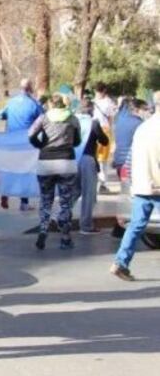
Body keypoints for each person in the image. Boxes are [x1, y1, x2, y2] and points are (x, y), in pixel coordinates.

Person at [110, 110, 160, 280]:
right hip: (157, 185)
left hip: (142, 185)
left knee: (136, 225)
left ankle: (120, 263)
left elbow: (130, 160)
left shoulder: (142, 128)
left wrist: (132, 182)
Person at [28, 94, 82, 250]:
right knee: (65, 202)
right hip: (66, 162)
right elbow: (77, 141)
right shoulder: (72, 119)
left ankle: (43, 229)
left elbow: (30, 134)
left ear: (51, 104)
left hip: (45, 162)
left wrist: (40, 145)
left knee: (46, 200)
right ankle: (65, 238)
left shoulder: (43, 118)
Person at [0, 78, 43, 211]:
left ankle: (5, 193)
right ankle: (24, 202)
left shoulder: (11, 102)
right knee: (25, 171)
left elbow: (3, 116)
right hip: (26, 142)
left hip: (11, 140)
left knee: (10, 168)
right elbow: (42, 119)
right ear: (30, 88)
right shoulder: (33, 103)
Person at [76, 97, 110, 235]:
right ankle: (86, 225)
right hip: (88, 159)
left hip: (74, 159)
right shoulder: (93, 123)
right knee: (88, 194)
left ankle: (60, 215)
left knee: (74, 190)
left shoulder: (74, 121)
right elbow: (104, 140)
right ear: (90, 109)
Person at [112, 98, 147, 187]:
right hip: (131, 163)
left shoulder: (119, 120)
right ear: (136, 109)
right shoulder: (139, 124)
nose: (147, 112)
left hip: (119, 161)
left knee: (126, 191)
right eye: (145, 109)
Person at [92, 83, 117, 191]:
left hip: (104, 130)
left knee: (103, 159)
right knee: (95, 157)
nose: (97, 94)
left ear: (103, 91)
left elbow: (111, 118)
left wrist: (111, 132)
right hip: (96, 130)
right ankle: (97, 181)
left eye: (98, 92)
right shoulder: (94, 101)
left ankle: (102, 182)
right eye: (96, 92)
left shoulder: (108, 102)